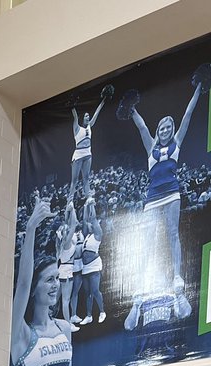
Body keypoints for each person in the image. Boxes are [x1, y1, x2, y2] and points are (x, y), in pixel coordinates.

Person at [126, 81, 203, 299]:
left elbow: (188, 113)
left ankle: (177, 276)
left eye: (169, 127)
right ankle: (140, 282)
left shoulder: (176, 142)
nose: (166, 130)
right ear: (158, 131)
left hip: (172, 193)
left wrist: (199, 86)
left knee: (172, 233)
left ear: (173, 129)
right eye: (162, 128)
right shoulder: (151, 146)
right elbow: (142, 126)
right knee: (147, 240)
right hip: (152, 198)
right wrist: (131, 109)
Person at [11, 197, 73, 366]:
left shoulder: (64, 328)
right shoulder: (21, 333)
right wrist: (31, 228)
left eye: (57, 278)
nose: (55, 284)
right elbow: (23, 284)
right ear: (34, 289)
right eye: (49, 280)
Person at [67, 93, 108, 204]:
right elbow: (75, 116)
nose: (88, 117)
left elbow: (97, 113)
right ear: (82, 118)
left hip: (88, 154)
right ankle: (70, 201)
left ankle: (88, 197)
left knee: (86, 177)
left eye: (88, 116)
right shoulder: (77, 128)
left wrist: (103, 100)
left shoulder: (90, 126)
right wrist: (72, 106)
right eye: (86, 116)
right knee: (74, 180)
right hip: (78, 155)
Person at [78, 197, 105, 325]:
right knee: (87, 292)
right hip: (85, 267)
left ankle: (102, 312)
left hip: (94, 265)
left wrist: (91, 204)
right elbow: (85, 221)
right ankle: (89, 316)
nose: (89, 224)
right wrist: (85, 206)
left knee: (95, 290)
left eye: (91, 224)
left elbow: (92, 219)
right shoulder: (87, 236)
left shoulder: (97, 234)